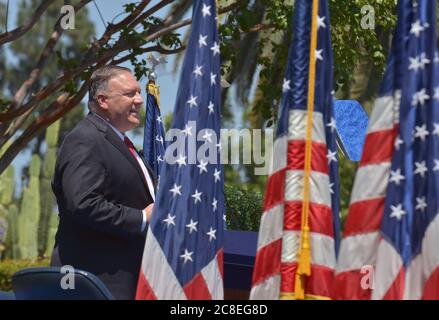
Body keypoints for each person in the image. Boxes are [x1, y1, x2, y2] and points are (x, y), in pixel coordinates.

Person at [50, 65, 155, 300]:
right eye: (130, 94)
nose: (139, 100)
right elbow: (83, 204)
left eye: (139, 92)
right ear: (102, 100)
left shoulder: (121, 144)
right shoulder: (85, 139)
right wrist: (142, 218)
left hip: (128, 282)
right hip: (95, 285)